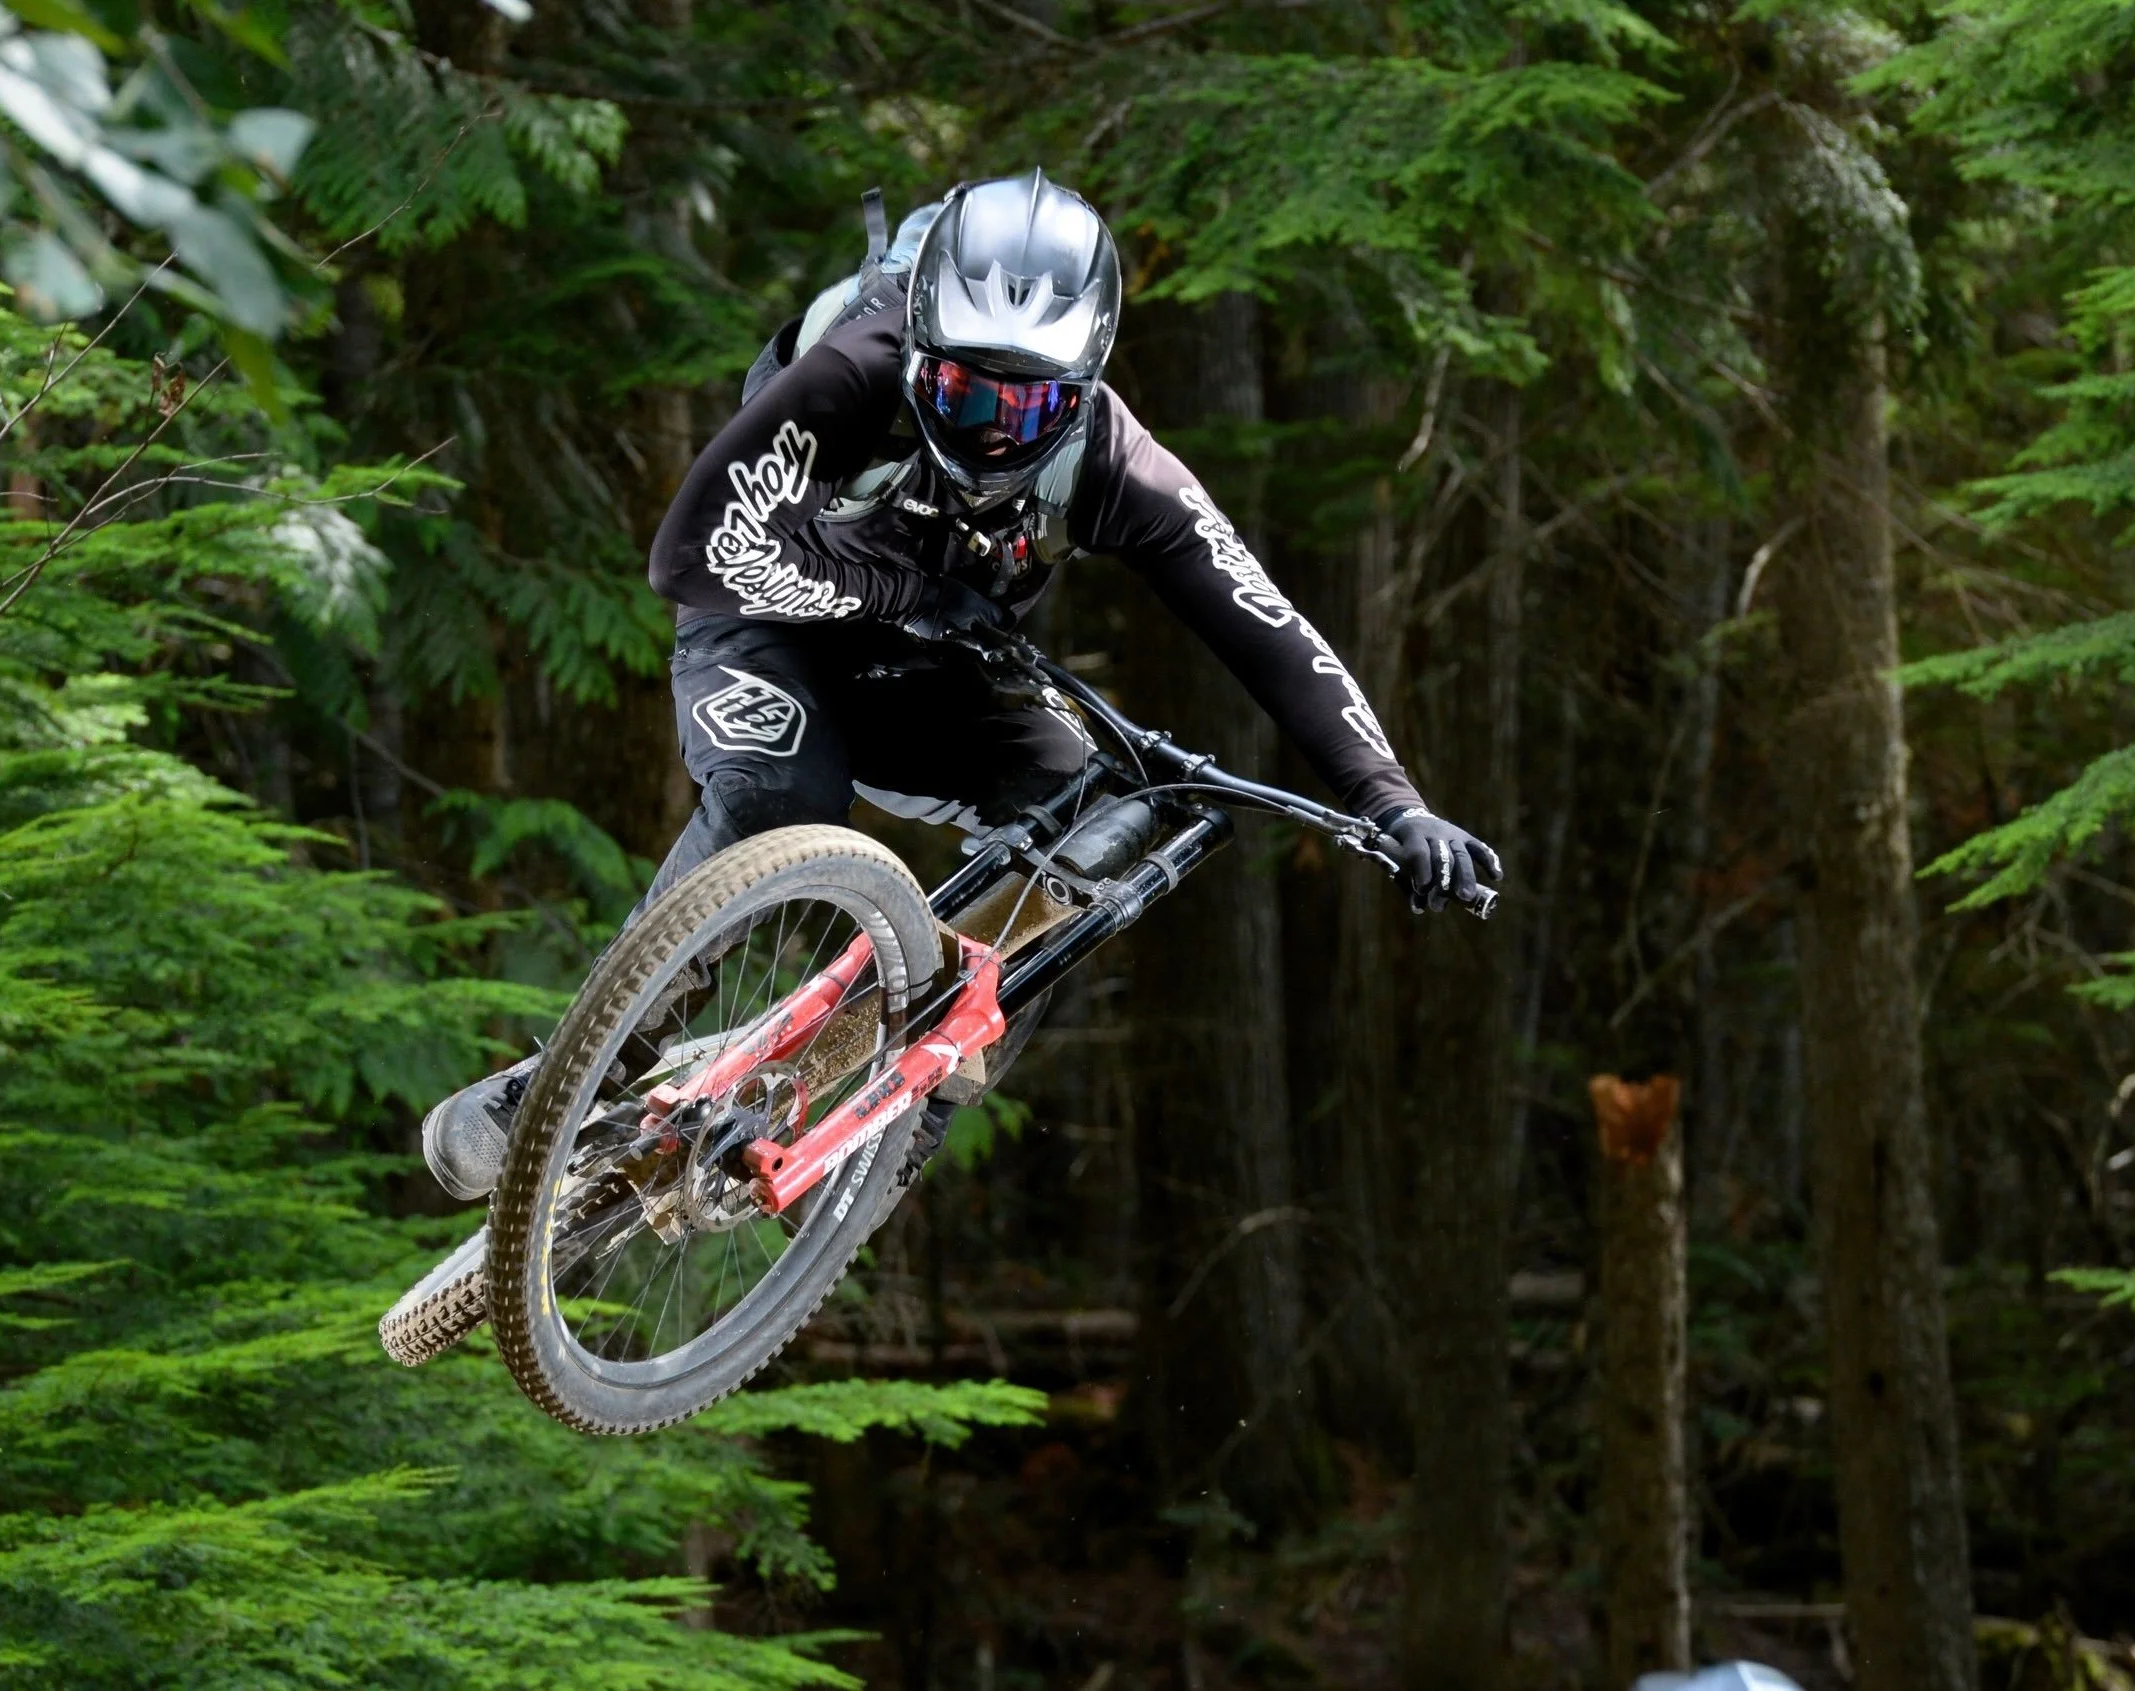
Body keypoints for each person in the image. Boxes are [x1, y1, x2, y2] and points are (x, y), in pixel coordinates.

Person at [421, 169, 1502, 1203]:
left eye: (1029, 408)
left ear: (1081, 393)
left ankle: (915, 1105)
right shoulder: (853, 368)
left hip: (932, 673)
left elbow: (1267, 627)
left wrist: (1389, 801)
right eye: (959, 387)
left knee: (1098, 815)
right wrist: (893, 588)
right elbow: (690, 552)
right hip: (758, 622)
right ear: (919, 347)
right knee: (776, 800)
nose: (989, 428)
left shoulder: (1115, 459)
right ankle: (566, 1082)